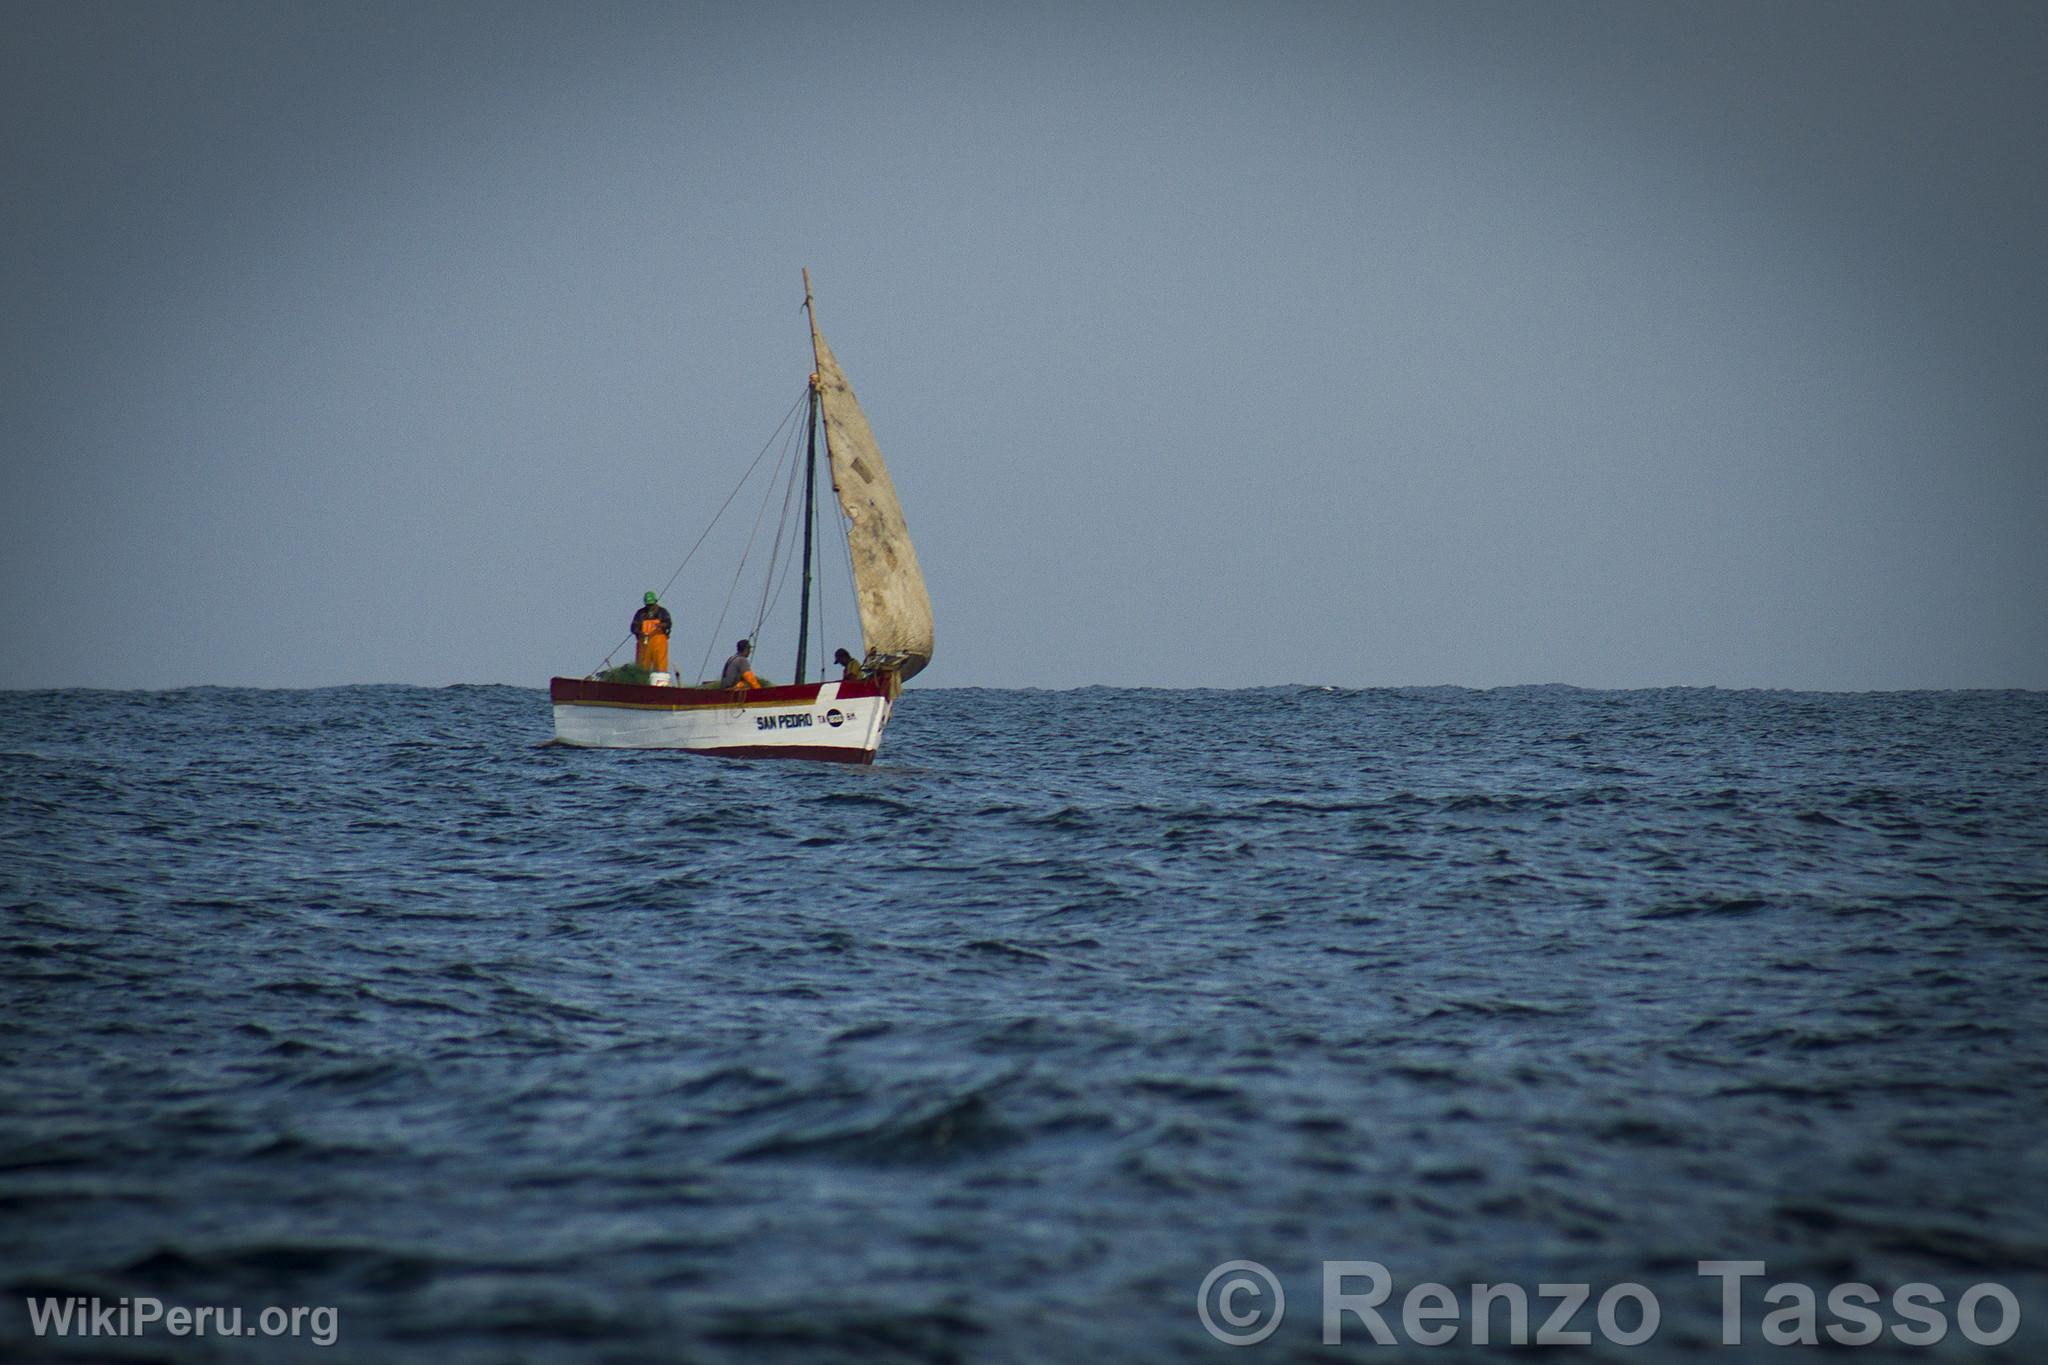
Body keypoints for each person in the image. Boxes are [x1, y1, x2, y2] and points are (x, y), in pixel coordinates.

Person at [631, 591, 672, 675]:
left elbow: (669, 623)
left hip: (659, 643)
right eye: (648, 605)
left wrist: (662, 625)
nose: (649, 607)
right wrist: (639, 632)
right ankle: (643, 682)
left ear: (655, 602)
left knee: (660, 666)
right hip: (644, 644)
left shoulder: (662, 612)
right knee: (642, 668)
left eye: (651, 605)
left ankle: (660, 682)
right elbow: (633, 627)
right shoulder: (640, 613)